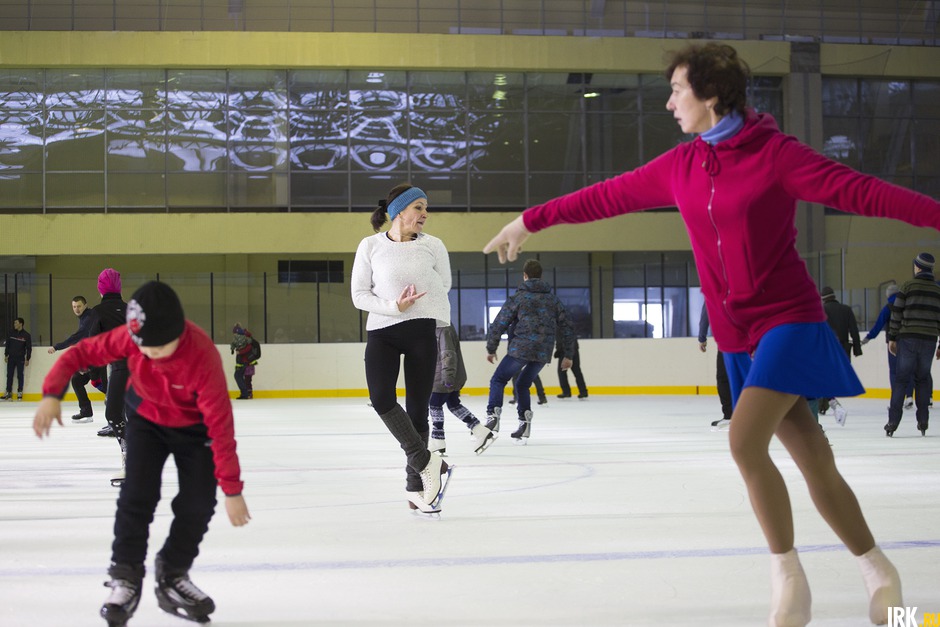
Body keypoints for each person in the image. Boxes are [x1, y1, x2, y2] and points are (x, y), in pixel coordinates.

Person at [482, 42, 937, 626]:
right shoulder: (681, 166)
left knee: (745, 441)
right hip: (737, 333)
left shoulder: (777, 156)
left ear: (712, 94)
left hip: (789, 319)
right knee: (813, 458)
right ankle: (878, 568)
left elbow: (864, 192)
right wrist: (529, 220)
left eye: (677, 90)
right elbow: (605, 197)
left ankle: (788, 577)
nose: (670, 101)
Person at [32, 281, 251, 625]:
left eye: (159, 346)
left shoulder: (201, 355)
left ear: (178, 333)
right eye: (143, 345)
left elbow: (221, 428)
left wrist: (233, 490)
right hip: (146, 419)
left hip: (193, 427)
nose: (149, 353)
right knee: (137, 495)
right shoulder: (131, 337)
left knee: (199, 502)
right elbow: (79, 353)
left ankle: (173, 572)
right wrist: (50, 394)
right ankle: (126, 576)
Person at [351, 183, 453, 514]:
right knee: (381, 399)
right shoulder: (370, 246)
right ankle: (428, 463)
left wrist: (417, 304)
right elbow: (359, 295)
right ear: (398, 211)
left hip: (422, 329)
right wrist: (395, 305)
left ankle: (416, 488)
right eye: (419, 208)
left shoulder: (434, 246)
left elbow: (444, 284)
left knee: (417, 409)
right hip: (383, 330)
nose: (425, 214)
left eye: (426, 208)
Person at [484, 259, 575, 443]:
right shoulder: (552, 299)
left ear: (524, 276)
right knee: (523, 384)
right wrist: (568, 355)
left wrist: (491, 348)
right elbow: (567, 326)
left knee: (499, 379)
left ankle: (493, 418)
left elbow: (500, 322)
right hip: (543, 352)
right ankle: (524, 425)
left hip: (521, 348)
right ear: (540, 276)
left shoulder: (519, 297)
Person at [885, 253, 940, 437]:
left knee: (901, 379)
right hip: (929, 340)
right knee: (922, 380)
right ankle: (923, 421)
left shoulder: (907, 286)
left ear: (917, 267)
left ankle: (893, 422)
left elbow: (897, 313)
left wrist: (892, 337)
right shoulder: (937, 290)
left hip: (907, 338)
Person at [83, 269, 131, 479]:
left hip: (122, 367)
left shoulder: (98, 312)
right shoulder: (131, 309)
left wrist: (94, 376)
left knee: (113, 414)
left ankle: (130, 457)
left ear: (101, 288)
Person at [429, 323, 495, 456]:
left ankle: (438, 439)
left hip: (444, 376)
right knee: (454, 404)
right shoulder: (438, 326)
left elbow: (448, 353)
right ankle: (479, 430)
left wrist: (448, 377)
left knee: (435, 404)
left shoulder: (443, 328)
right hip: (448, 375)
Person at [47, 294, 108, 425]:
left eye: (79, 306)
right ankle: (86, 411)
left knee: (99, 384)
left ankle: (123, 403)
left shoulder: (89, 317)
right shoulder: (84, 317)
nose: (77, 309)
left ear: (85, 305)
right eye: (74, 307)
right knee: (77, 380)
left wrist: (57, 347)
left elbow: (78, 336)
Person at [861, 284, 914, 406]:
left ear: (888, 295)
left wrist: (867, 338)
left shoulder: (888, 308)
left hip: (893, 343)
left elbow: (878, 325)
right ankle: (909, 396)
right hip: (908, 342)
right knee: (908, 370)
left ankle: (896, 399)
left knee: (895, 371)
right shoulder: (906, 306)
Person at [819, 286, 862, 423]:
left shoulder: (821, 311)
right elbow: (854, 330)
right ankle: (828, 403)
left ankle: (825, 404)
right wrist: (857, 349)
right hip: (843, 348)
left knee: (823, 376)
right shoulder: (846, 309)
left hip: (827, 348)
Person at [699, 303, 732, 428]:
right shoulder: (743, 286)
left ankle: (730, 415)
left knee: (723, 378)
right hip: (745, 338)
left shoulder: (714, 289)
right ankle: (741, 415)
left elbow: (705, 314)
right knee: (741, 377)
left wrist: (702, 337)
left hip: (726, 339)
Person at [2, 318, 31, 401]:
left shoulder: (26, 335)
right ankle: (8, 392)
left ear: (21, 324)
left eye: (16, 323)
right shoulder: (11, 333)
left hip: (20, 358)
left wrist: (27, 358)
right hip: (11, 358)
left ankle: (20, 392)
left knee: (20, 375)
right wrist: (6, 354)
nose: (14, 324)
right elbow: (8, 345)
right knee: (9, 375)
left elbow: (29, 348)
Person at [230, 323, 260, 400]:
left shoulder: (244, 339)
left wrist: (240, 352)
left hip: (246, 362)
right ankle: (246, 393)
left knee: (243, 377)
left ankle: (246, 393)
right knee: (243, 377)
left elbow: (248, 348)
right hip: (245, 362)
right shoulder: (243, 339)